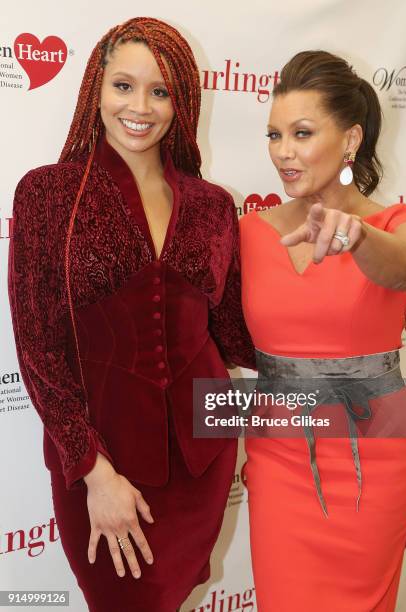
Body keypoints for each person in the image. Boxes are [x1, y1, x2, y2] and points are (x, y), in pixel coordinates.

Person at [8, 17, 255, 612]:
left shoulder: (212, 204)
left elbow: (233, 337)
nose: (139, 106)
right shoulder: (46, 194)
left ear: (183, 101)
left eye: (160, 90)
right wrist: (93, 470)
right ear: (96, 88)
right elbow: (39, 344)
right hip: (102, 459)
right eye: (123, 85)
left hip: (205, 449)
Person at [239, 50, 406, 612]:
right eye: (274, 134)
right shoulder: (248, 233)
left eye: (302, 133)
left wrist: (358, 238)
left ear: (351, 139)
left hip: (375, 458)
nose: (283, 151)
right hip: (279, 456)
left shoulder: (401, 225)